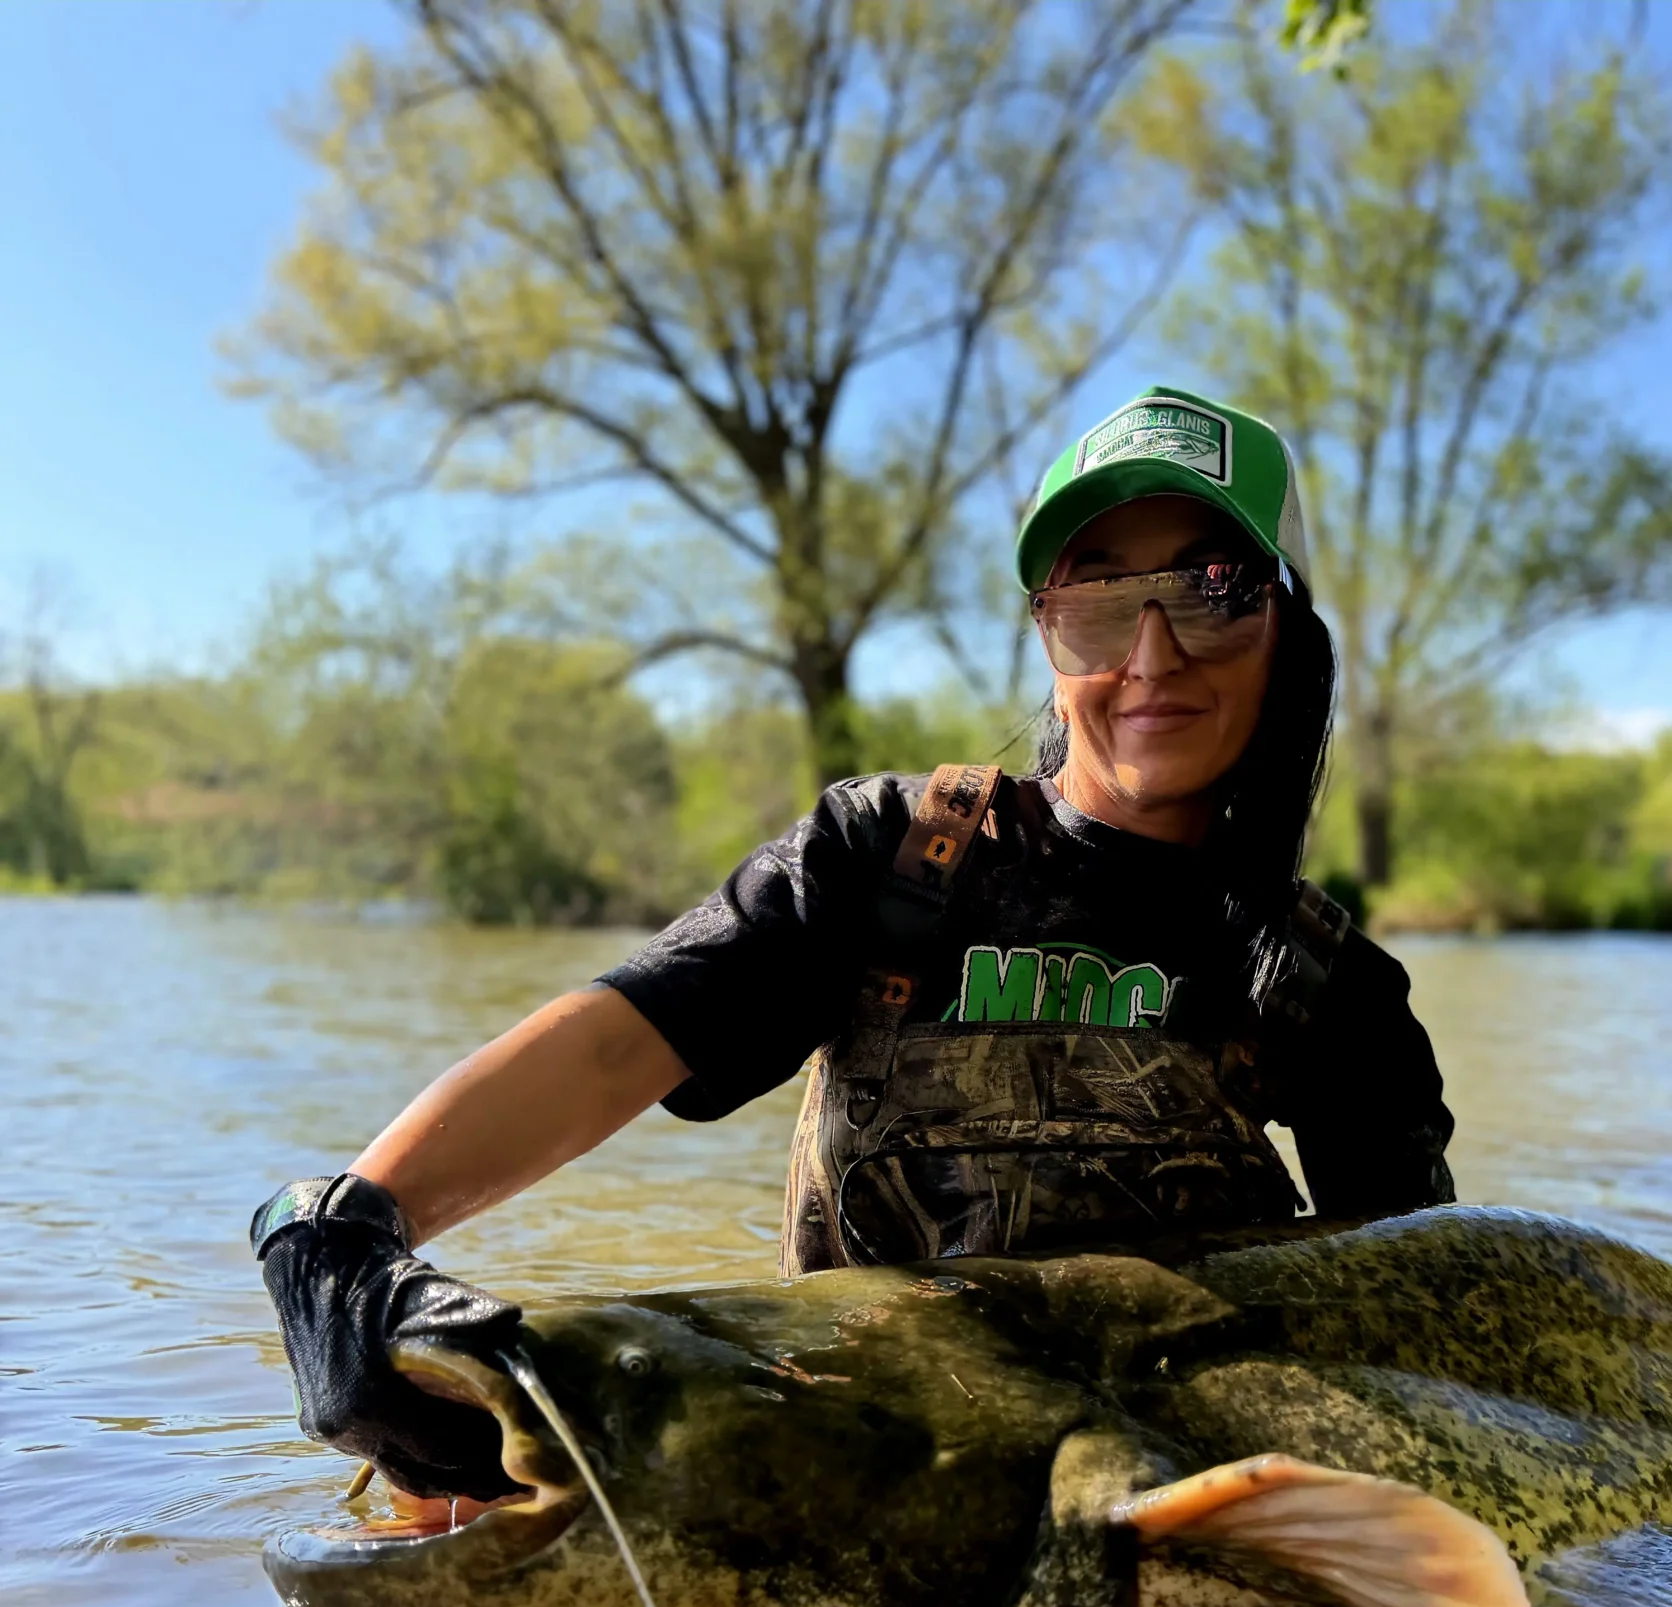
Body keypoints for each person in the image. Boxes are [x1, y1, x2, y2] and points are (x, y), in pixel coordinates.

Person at [251, 383, 1455, 1503]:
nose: (1149, 657)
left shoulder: (1329, 986)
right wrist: (348, 1225)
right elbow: (621, 1044)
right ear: (1049, 632)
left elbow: (1420, 1333)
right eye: (1095, 601)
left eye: (1209, 591)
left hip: (1176, 1524)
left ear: (1286, 632)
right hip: (858, 1490)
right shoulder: (888, 857)